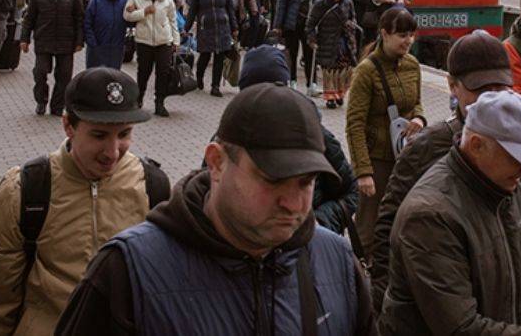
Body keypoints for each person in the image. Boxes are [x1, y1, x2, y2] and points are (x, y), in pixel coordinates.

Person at [55, 83, 374, 336]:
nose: (292, 203)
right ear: (217, 162)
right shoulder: (127, 271)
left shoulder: (338, 263)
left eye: (306, 182)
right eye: (273, 180)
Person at [370, 30, 521, 330]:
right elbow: (389, 243)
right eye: (480, 88)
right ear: (452, 86)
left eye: (501, 86)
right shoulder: (427, 176)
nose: (492, 97)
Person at [0, 68, 171, 335]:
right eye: (99, 135)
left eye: (124, 134)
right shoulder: (26, 192)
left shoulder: (153, 187)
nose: (112, 152)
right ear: (68, 126)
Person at [237, 44, 360, 235]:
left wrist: (319, 222)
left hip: (305, 245)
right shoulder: (230, 140)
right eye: (256, 94)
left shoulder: (315, 135)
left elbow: (351, 191)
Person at [344, 7, 426, 263]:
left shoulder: (412, 65)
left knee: (403, 220)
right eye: (402, 35)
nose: (408, 41)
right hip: (377, 160)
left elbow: (417, 103)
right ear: (384, 34)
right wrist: (363, 172)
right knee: (368, 226)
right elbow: (354, 123)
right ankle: (361, 271)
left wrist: (419, 118)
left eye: (411, 35)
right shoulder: (366, 71)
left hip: (405, 156)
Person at [20, 0, 85, 117]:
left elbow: (79, 19)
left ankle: (57, 105)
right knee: (40, 72)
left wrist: (79, 41)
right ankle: (41, 101)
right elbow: (29, 19)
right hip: (44, 39)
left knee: (64, 76)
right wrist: (24, 39)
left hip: (65, 41)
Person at [124, 0, 180, 117]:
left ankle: (159, 103)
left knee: (163, 72)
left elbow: (173, 19)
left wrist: (176, 40)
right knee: (143, 71)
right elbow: (127, 16)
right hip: (144, 41)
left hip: (164, 40)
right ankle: (139, 99)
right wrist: (143, 12)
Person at [185, 0, 237, 97]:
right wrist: (186, 28)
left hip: (222, 28)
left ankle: (215, 86)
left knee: (219, 58)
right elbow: (192, 10)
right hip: (205, 28)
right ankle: (199, 77)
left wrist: (234, 27)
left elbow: (230, 9)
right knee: (205, 55)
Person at [273, 0, 323, 93]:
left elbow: (320, 1)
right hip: (292, 22)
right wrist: (278, 25)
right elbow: (281, 3)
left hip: (309, 22)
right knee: (292, 53)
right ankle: (292, 81)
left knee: (309, 53)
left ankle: (311, 84)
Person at [308, 0, 356, 109]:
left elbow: (353, 18)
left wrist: (351, 26)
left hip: (344, 41)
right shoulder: (320, 4)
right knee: (329, 70)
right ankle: (330, 97)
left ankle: (340, 93)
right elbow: (311, 24)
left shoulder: (348, 2)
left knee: (344, 69)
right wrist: (312, 39)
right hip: (327, 41)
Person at [84, 0, 129, 70]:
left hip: (116, 49)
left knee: (113, 76)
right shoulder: (95, 1)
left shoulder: (125, 1)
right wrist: (92, 44)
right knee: (95, 75)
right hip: (97, 48)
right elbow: (87, 23)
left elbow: (130, 21)